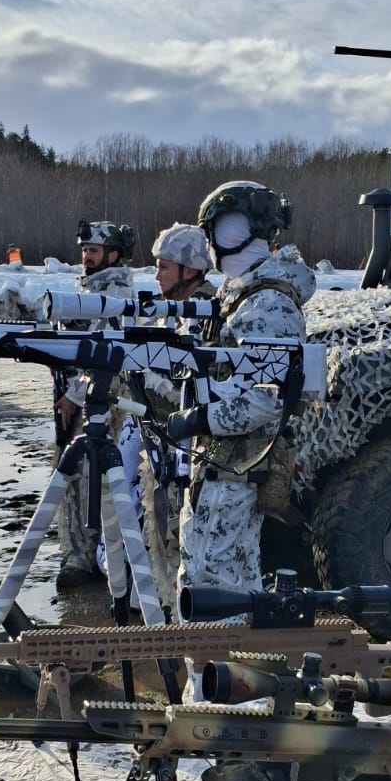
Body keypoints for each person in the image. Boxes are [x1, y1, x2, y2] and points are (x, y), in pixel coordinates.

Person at [175, 182, 314, 606]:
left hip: (237, 471)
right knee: (201, 584)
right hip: (219, 467)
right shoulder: (242, 297)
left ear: (234, 232)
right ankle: (208, 671)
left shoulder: (268, 304)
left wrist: (201, 420)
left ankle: (226, 672)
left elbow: (266, 398)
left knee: (221, 595)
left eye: (218, 230)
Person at [133, 224, 216, 607]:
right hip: (167, 459)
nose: (156, 275)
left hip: (200, 463)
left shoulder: (211, 315)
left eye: (163, 266)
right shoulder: (174, 315)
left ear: (189, 270)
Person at [55, 219, 136, 589]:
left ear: (113, 254)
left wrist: (74, 395)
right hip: (73, 396)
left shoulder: (115, 292)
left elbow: (105, 353)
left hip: (97, 402)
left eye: (93, 251)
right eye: (84, 251)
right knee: (70, 481)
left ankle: (96, 559)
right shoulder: (88, 287)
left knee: (92, 481)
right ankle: (76, 556)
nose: (86, 257)